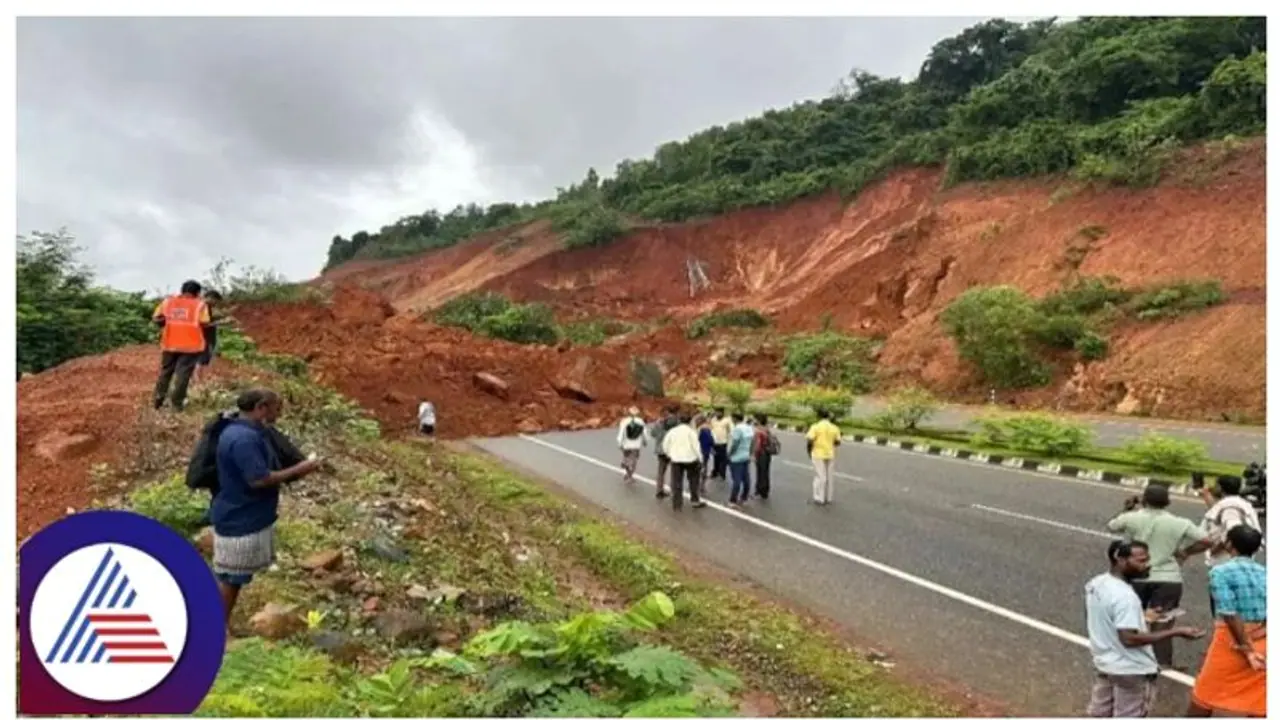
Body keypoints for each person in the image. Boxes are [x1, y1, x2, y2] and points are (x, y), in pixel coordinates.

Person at [211, 388, 323, 627]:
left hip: (238, 511)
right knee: (231, 578)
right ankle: (217, 628)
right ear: (261, 407)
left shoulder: (241, 430)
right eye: (276, 408)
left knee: (230, 576)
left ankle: (218, 623)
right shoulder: (244, 440)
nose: (278, 414)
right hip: (241, 516)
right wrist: (301, 469)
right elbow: (258, 479)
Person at [1084, 539, 1204, 717]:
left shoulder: (1095, 584)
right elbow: (1129, 639)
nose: (1147, 566)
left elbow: (1107, 617)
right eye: (1140, 561)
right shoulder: (1126, 597)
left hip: (1105, 664)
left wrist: (1143, 617)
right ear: (1120, 559)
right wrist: (1176, 632)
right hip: (1131, 669)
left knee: (1099, 715)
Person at [1106, 484, 1213, 669]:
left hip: (1136, 576)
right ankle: (1162, 662)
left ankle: (1127, 659)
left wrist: (1128, 508)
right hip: (1168, 579)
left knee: (1131, 619)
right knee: (1163, 623)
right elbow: (1207, 540)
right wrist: (1185, 552)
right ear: (1168, 503)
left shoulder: (1131, 517)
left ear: (1144, 500)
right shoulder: (1180, 522)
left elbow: (1112, 526)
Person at [1188, 525, 1266, 718]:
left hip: (1232, 639)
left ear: (1229, 545)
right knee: (1260, 696)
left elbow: (1229, 613)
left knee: (1204, 693)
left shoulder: (1221, 572)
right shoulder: (1266, 572)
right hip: (1264, 637)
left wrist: (1246, 648)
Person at [152, 280, 212, 411]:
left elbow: (156, 318)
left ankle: (158, 401)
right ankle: (176, 404)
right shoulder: (200, 305)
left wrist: (168, 321)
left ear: (182, 290)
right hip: (190, 346)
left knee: (165, 372)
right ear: (197, 293)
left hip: (170, 344)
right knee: (183, 375)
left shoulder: (168, 302)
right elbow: (205, 322)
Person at [660, 411, 705, 511]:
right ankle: (695, 500)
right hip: (691, 459)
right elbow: (696, 447)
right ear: (689, 421)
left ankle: (677, 504)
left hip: (676, 460)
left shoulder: (672, 431)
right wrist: (700, 459)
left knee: (677, 482)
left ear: (679, 421)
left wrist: (669, 454)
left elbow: (665, 444)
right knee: (693, 481)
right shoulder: (691, 432)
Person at [806, 409, 842, 505]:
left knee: (820, 476)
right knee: (829, 476)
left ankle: (819, 498)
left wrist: (809, 451)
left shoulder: (816, 427)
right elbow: (838, 442)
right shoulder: (834, 428)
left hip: (818, 453)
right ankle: (829, 497)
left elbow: (810, 440)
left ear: (819, 416)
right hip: (830, 453)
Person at [192, 289, 225, 385]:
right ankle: (197, 381)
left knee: (203, 359)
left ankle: (198, 379)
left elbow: (207, 320)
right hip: (202, 336)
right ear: (211, 298)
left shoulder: (206, 307)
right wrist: (219, 322)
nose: (216, 304)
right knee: (201, 359)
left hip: (206, 336)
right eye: (216, 301)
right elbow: (202, 324)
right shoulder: (202, 307)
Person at [649, 406, 678, 498]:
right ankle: (673, 491)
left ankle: (659, 491)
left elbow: (653, 434)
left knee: (661, 471)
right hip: (672, 450)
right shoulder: (676, 422)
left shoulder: (659, 422)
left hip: (661, 450)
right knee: (674, 471)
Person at [726, 412, 754, 508]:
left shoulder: (737, 429)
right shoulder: (749, 428)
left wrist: (730, 454)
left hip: (737, 457)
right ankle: (744, 498)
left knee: (736, 480)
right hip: (746, 456)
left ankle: (732, 500)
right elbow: (753, 442)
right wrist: (750, 454)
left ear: (734, 419)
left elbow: (735, 443)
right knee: (746, 479)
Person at [616, 406, 647, 483]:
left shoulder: (624, 421)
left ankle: (627, 469)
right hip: (636, 445)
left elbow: (621, 433)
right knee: (634, 461)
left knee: (627, 459)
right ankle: (630, 476)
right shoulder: (641, 421)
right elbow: (644, 433)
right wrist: (645, 441)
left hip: (626, 445)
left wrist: (619, 443)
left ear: (629, 413)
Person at [752, 413, 778, 499]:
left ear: (759, 420)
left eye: (755, 419)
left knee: (760, 472)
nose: (754, 421)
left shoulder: (759, 430)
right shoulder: (768, 429)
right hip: (767, 453)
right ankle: (764, 490)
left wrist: (754, 454)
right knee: (765, 472)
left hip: (761, 453)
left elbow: (757, 444)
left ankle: (760, 490)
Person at [710, 408, 732, 480]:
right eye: (716, 412)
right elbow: (711, 429)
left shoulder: (727, 421)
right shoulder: (713, 420)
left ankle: (722, 474)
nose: (717, 414)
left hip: (723, 442)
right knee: (715, 458)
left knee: (723, 459)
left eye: (719, 412)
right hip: (715, 442)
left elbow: (730, 430)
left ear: (722, 413)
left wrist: (728, 439)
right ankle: (715, 472)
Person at [697, 415, 715, 487]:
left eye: (697, 420)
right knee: (704, 466)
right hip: (705, 450)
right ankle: (702, 484)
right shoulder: (707, 429)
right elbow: (712, 440)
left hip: (701, 450)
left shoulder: (702, 429)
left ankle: (701, 484)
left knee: (701, 467)